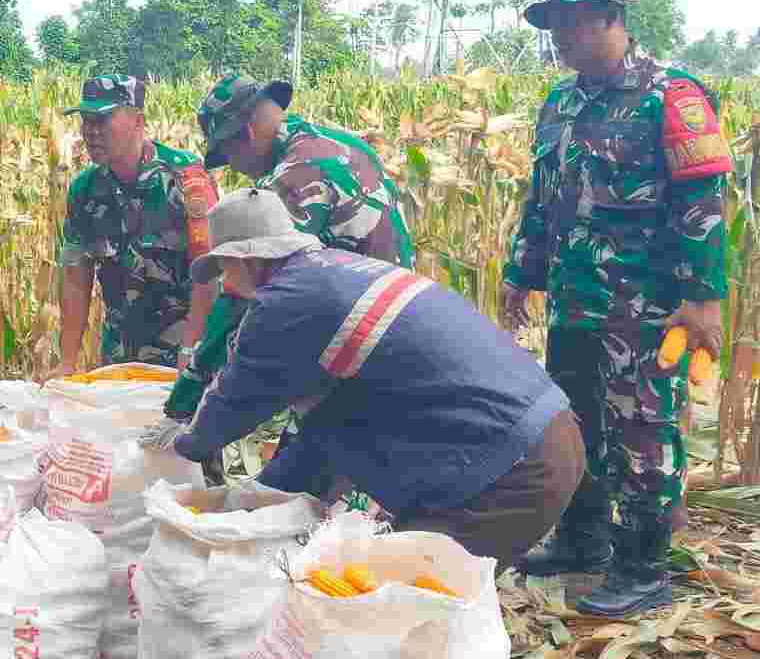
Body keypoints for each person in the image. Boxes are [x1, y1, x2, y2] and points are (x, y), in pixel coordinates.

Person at [157, 188, 582, 566]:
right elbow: (321, 443)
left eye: (225, 270)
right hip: (549, 440)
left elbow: (233, 400)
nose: (227, 286)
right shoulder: (337, 275)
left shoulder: (287, 302)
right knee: (398, 595)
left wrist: (178, 449)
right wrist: (257, 499)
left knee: (401, 608)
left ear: (245, 259)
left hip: (510, 470)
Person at [500, 0, 731, 618]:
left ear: (613, 18)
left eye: (572, 22)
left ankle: (642, 565)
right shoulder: (560, 101)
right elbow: (542, 197)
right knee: (575, 423)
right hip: (577, 299)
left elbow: (704, 199)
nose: (560, 37)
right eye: (553, 25)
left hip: (647, 305)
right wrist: (523, 271)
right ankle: (583, 539)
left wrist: (701, 295)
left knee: (643, 430)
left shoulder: (671, 94)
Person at [163, 74, 417, 483]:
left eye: (228, 156)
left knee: (302, 486)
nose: (235, 169)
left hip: (363, 341)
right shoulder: (338, 142)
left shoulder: (294, 176)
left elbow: (243, 291)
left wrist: (188, 397)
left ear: (243, 134)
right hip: (391, 316)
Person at [49, 74, 219, 380]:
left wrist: (190, 353)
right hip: (119, 354)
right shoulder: (86, 189)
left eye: (102, 120)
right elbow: (77, 276)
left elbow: (208, 274)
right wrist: (68, 362)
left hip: (182, 352)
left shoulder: (187, 179)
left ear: (138, 121)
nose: (91, 132)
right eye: (86, 120)